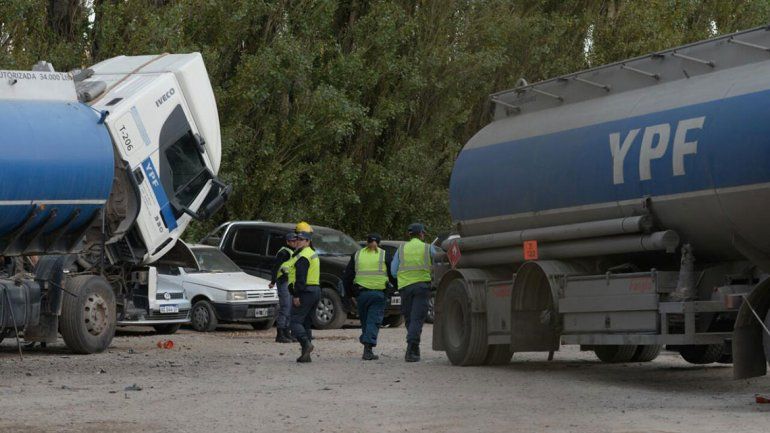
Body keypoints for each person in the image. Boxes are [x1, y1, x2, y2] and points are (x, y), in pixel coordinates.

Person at [342, 233, 394, 360]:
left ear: (366, 242)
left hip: (362, 294)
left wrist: (349, 295)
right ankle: (368, 349)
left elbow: (347, 277)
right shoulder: (384, 255)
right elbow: (393, 275)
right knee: (373, 321)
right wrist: (394, 290)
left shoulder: (357, 254)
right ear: (379, 243)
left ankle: (365, 339)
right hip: (378, 294)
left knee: (365, 322)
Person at [391, 223, 438, 362]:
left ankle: (414, 347)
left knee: (410, 319)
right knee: (417, 319)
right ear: (422, 234)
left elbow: (393, 271)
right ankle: (411, 349)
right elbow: (441, 260)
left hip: (405, 288)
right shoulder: (428, 248)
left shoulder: (401, 249)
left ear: (409, 235)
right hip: (421, 287)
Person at [289, 230, 321, 363]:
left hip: (305, 291)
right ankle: (305, 355)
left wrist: (296, 294)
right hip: (315, 290)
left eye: (301, 240)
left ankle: (306, 344)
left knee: (295, 321)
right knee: (306, 322)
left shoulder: (303, 256)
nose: (298, 242)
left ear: (308, 242)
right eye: (297, 239)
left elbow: (301, 278)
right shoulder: (312, 254)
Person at [269, 232, 298, 343]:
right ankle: (280, 334)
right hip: (283, 282)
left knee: (290, 308)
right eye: (292, 241)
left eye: (295, 241)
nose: (294, 242)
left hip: (290, 282)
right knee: (285, 307)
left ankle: (287, 332)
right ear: (287, 242)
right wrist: (272, 281)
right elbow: (276, 267)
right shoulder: (284, 252)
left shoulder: (293, 252)